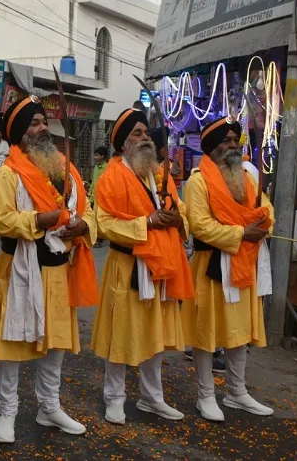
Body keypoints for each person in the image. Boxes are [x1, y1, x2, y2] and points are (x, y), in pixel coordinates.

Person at [0, 96, 98, 443]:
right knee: (14, 343)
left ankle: (49, 406)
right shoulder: (7, 174)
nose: (42, 128)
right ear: (20, 134)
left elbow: (89, 210)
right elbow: (1, 220)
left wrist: (83, 227)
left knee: (56, 343)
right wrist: (40, 219)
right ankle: (7, 412)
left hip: (60, 269)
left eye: (43, 121)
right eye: (33, 123)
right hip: (22, 268)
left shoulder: (67, 170)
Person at [91, 108, 194, 425]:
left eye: (146, 133)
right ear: (123, 143)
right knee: (120, 334)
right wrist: (145, 222)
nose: (144, 137)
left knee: (156, 332)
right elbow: (104, 224)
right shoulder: (111, 177)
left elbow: (182, 213)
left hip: (161, 265)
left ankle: (152, 398)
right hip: (127, 264)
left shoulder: (159, 174)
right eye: (136, 133)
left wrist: (179, 220)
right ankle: (114, 399)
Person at [181, 116, 274, 422]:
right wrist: (241, 233)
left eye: (236, 140)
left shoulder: (246, 178)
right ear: (211, 148)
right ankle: (205, 396)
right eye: (226, 140)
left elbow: (265, 208)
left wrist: (263, 226)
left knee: (239, 331)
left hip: (243, 263)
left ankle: (237, 392)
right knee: (206, 334)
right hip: (211, 267)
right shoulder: (197, 180)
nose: (233, 145)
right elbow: (200, 225)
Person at [89, 146, 108, 247]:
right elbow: (93, 182)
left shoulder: (107, 167)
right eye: (95, 155)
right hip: (93, 196)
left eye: (97, 155)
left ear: (103, 156)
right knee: (93, 217)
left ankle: (99, 239)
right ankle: (96, 236)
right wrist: (90, 193)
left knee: (99, 217)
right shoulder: (96, 167)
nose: (95, 157)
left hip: (102, 198)